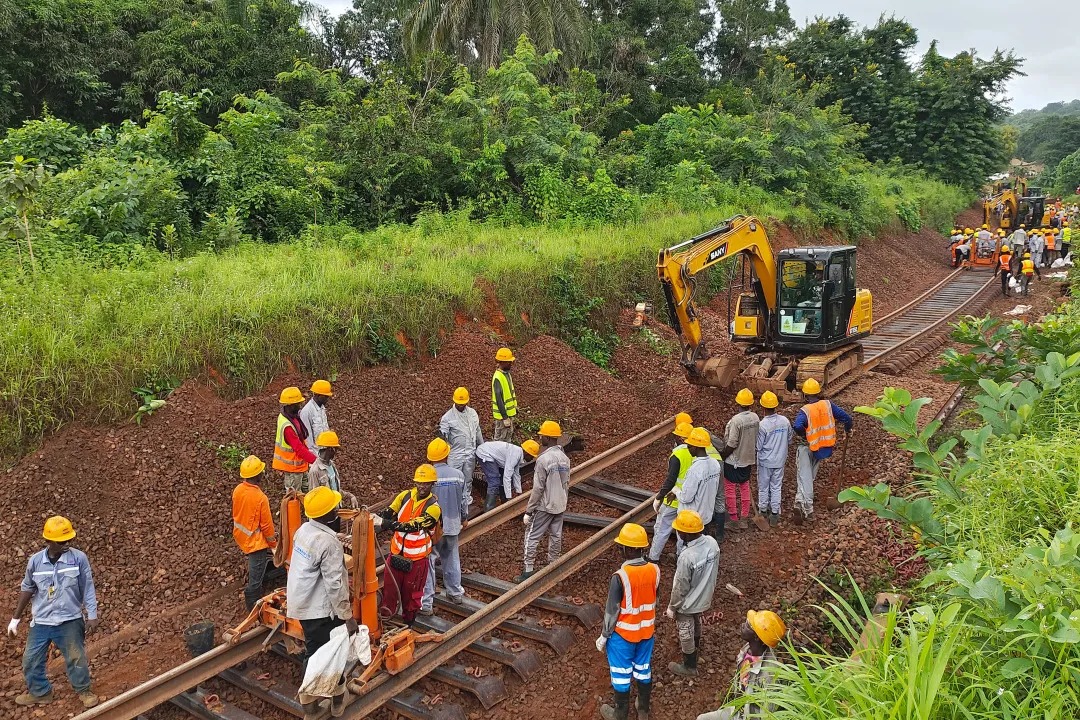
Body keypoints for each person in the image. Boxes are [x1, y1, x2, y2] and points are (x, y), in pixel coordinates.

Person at [8, 516, 100, 709]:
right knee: (30, 660)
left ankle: (84, 691)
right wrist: (15, 619)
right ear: (48, 541)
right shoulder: (35, 562)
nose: (66, 544)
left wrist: (92, 615)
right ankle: (41, 693)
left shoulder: (78, 558)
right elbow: (27, 588)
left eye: (69, 540)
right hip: (41, 621)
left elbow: (87, 587)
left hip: (70, 619)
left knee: (76, 658)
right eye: (61, 542)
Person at [286, 487, 359, 719]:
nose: (339, 512)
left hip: (302, 604)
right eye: (335, 509)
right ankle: (334, 700)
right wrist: (348, 617)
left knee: (314, 648)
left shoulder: (303, 530)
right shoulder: (329, 543)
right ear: (329, 515)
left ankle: (311, 703)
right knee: (333, 651)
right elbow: (335, 585)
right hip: (321, 610)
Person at [596, 524, 658, 720]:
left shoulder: (620, 577)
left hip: (623, 636)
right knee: (643, 668)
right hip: (646, 632)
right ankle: (643, 709)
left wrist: (604, 636)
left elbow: (611, 611)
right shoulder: (655, 570)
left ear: (628, 549)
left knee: (621, 673)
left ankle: (620, 714)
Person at [378, 465, 442, 625]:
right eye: (419, 483)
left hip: (417, 562)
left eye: (426, 484)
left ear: (432, 484)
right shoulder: (405, 497)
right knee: (389, 593)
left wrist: (385, 523)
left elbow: (412, 525)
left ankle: (408, 625)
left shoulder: (433, 508)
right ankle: (385, 621)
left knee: (411, 597)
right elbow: (390, 511)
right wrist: (376, 517)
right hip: (396, 555)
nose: (422, 487)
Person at [695, 610, 786, 720]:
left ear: (757, 637)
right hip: (737, 712)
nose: (743, 625)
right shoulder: (747, 649)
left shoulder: (769, 675)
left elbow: (768, 714)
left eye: (748, 625)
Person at [664, 510, 720, 678]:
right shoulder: (712, 543)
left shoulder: (687, 557)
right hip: (705, 596)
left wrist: (672, 607)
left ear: (685, 534)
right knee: (697, 620)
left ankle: (689, 666)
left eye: (679, 530)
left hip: (688, 602)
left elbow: (681, 587)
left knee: (685, 629)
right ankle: (696, 648)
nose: (678, 533)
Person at [517, 421, 572, 582]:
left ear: (548, 437)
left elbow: (538, 488)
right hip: (560, 503)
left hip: (544, 506)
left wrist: (529, 510)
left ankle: (528, 571)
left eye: (542, 436)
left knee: (532, 536)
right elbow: (566, 483)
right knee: (556, 535)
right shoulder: (564, 458)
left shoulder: (543, 460)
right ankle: (553, 566)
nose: (540, 438)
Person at [792, 378, 852, 523]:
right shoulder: (828, 405)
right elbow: (847, 418)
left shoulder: (805, 411)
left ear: (805, 395)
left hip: (807, 447)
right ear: (819, 393)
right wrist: (847, 430)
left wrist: (805, 434)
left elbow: (797, 426)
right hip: (821, 448)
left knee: (804, 477)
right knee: (809, 477)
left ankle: (809, 510)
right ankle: (799, 503)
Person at [421, 439, 467, 614]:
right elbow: (463, 500)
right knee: (452, 557)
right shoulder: (458, 475)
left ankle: (426, 603)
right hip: (453, 524)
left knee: (429, 561)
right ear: (447, 454)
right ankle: (455, 593)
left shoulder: (426, 478)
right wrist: (464, 518)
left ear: (430, 458)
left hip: (433, 527)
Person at [232, 455, 279, 610]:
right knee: (256, 578)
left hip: (241, 536)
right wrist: (273, 545)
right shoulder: (260, 498)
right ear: (258, 475)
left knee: (257, 567)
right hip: (255, 542)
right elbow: (267, 526)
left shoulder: (238, 490)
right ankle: (253, 605)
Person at [648, 413, 694, 563]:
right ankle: (680, 557)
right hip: (687, 499)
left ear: (679, 437)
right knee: (682, 530)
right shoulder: (697, 453)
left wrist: (659, 497)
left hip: (672, 499)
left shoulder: (677, 455)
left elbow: (671, 480)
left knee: (661, 528)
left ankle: (653, 558)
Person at [674, 427, 722, 551]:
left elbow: (686, 497)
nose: (688, 449)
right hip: (706, 515)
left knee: (686, 549)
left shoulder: (696, 470)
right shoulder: (715, 464)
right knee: (701, 546)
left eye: (689, 446)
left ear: (696, 447)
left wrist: (675, 491)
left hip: (691, 518)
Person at [720, 389, 759, 531]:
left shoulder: (736, 421)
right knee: (744, 487)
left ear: (738, 402)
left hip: (733, 461)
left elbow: (732, 443)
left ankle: (734, 520)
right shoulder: (755, 417)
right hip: (748, 459)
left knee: (730, 488)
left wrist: (723, 455)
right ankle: (744, 518)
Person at [439, 386, 484, 496]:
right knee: (454, 480)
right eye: (459, 403)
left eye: (463, 403)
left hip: (470, 453)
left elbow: (477, 431)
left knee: (468, 479)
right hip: (455, 454)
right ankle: (454, 500)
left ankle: (466, 499)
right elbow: (442, 437)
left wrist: (482, 447)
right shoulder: (447, 417)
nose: (461, 405)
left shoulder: (472, 413)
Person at [755, 391, 792, 527]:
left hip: (765, 461)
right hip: (780, 460)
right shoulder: (785, 421)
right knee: (776, 486)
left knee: (763, 487)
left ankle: (763, 511)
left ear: (763, 408)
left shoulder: (762, 425)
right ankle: (775, 513)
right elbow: (789, 439)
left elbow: (758, 446)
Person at [274, 386, 318, 492]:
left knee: (307, 493)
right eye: (298, 404)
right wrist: (316, 461)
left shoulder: (291, 416)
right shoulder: (288, 426)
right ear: (290, 405)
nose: (300, 406)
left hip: (300, 467)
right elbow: (298, 448)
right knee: (293, 500)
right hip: (292, 470)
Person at [475, 438, 538, 510]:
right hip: (484, 453)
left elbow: (516, 474)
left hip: (490, 454)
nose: (532, 459)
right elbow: (507, 477)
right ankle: (488, 509)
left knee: (502, 479)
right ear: (527, 453)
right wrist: (509, 498)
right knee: (494, 481)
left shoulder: (518, 454)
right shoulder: (515, 455)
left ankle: (504, 501)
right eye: (532, 456)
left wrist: (519, 492)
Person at [308, 431, 357, 507]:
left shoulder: (332, 465)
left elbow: (334, 489)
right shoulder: (315, 471)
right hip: (325, 516)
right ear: (331, 449)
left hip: (335, 512)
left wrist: (350, 496)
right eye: (336, 449)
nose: (336, 452)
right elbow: (315, 499)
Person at [299, 380, 333, 455]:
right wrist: (314, 459)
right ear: (318, 395)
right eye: (325, 396)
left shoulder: (322, 408)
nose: (327, 398)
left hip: (324, 452)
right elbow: (308, 440)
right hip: (315, 454)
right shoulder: (307, 411)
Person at [492, 347, 518, 441]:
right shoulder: (498, 377)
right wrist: (505, 417)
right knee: (500, 442)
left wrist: (514, 408)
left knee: (507, 440)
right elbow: (499, 398)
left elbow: (509, 393)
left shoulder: (506, 374)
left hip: (508, 415)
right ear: (502, 362)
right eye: (508, 362)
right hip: (502, 418)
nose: (511, 363)